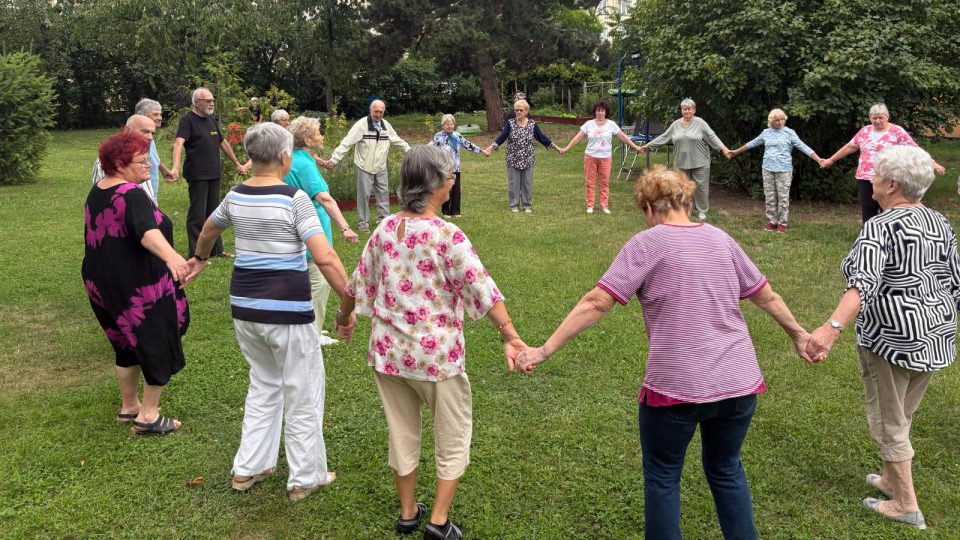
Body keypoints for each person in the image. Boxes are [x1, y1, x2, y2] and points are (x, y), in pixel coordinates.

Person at [516, 165, 812, 540]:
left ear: (648, 209)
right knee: (726, 469)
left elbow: (597, 301)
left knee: (663, 475)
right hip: (739, 383)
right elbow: (765, 296)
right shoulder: (722, 239)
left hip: (676, 387)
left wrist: (544, 350)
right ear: (686, 202)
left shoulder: (646, 243)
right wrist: (799, 335)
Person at [337, 145, 524, 540]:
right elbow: (483, 289)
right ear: (436, 183)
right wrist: (510, 336)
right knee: (452, 434)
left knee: (401, 432)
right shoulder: (446, 235)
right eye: (450, 175)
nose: (453, 180)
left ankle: (408, 514)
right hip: (437, 360)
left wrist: (343, 316)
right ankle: (437, 522)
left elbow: (355, 284)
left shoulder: (385, 228)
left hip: (389, 355)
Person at [183, 122, 356, 502]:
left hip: (246, 309)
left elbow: (209, 230)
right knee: (304, 387)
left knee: (263, 383)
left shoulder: (235, 195)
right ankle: (305, 476)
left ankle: (249, 467)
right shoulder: (294, 199)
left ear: (250, 156)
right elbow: (324, 256)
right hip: (288, 311)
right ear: (284, 156)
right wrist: (349, 302)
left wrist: (197, 258)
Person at [805, 146, 957, 531]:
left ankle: (906, 504)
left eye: (874, 174)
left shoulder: (880, 225)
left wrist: (829, 330)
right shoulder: (939, 221)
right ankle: (891, 479)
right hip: (936, 336)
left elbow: (863, 283)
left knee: (890, 421)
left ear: (892, 184)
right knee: (902, 414)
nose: (869, 180)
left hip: (891, 340)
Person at [82, 131, 191, 435]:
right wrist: (172, 258)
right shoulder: (132, 194)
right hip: (136, 285)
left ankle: (129, 406)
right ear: (119, 163)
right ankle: (148, 416)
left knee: (124, 343)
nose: (149, 166)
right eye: (142, 161)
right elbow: (147, 232)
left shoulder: (99, 190)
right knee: (156, 339)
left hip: (101, 281)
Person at [285, 116, 360, 345]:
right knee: (318, 284)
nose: (322, 136)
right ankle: (312, 335)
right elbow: (325, 199)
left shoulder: (295, 158)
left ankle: (307, 330)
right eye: (319, 132)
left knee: (306, 285)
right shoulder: (305, 164)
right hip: (311, 233)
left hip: (299, 232)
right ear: (308, 139)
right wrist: (345, 227)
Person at [821, 103, 946, 223]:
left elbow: (914, 148)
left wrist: (932, 163)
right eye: (874, 118)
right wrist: (831, 160)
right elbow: (850, 147)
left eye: (880, 117)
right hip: (865, 177)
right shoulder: (865, 131)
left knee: (889, 209)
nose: (877, 121)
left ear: (887, 117)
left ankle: (892, 233)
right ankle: (869, 233)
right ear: (870, 118)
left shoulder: (897, 131)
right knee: (868, 208)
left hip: (888, 178)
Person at [170, 87, 247, 258]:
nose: (212, 103)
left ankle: (217, 250)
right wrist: (175, 167)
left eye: (213, 100)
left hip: (214, 173)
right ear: (197, 102)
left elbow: (223, 142)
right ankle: (196, 253)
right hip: (197, 174)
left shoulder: (211, 120)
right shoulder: (187, 120)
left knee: (214, 214)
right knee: (197, 214)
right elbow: (178, 143)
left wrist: (237, 163)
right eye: (208, 100)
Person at [728, 108, 824, 232]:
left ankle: (782, 223)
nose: (780, 122)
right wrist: (736, 152)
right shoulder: (766, 133)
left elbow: (803, 146)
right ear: (771, 121)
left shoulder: (790, 133)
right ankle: (772, 221)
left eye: (782, 119)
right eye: (777, 120)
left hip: (784, 169)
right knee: (769, 195)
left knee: (783, 196)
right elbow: (752, 143)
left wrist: (818, 159)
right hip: (767, 168)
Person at [640, 98, 731, 221]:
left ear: (694, 110)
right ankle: (684, 209)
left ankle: (702, 211)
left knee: (701, 188)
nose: (687, 111)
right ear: (681, 110)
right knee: (681, 188)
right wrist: (647, 146)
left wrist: (723, 148)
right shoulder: (675, 124)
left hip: (700, 161)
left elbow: (712, 136)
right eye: (684, 109)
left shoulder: (700, 123)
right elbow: (664, 137)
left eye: (689, 109)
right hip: (681, 162)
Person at [326, 99, 410, 232]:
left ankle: (383, 221)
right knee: (363, 196)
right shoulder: (361, 125)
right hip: (364, 166)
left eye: (381, 112)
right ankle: (363, 224)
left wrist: (412, 152)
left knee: (383, 194)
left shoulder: (386, 126)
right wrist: (334, 159)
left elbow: (398, 141)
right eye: (376, 111)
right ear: (370, 110)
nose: (378, 115)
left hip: (381, 166)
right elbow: (347, 143)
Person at [559, 100, 643, 214]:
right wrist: (566, 148)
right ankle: (590, 205)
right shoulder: (588, 124)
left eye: (602, 111)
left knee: (604, 182)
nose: (600, 113)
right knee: (590, 182)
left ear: (605, 112)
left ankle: (604, 206)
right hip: (590, 157)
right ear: (595, 112)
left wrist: (635, 147)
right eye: (598, 110)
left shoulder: (611, 124)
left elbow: (622, 136)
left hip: (606, 158)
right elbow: (577, 138)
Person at [483, 99, 560, 213]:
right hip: (513, 158)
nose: (518, 112)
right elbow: (502, 137)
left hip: (528, 158)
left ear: (526, 111)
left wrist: (557, 148)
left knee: (527, 183)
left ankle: (526, 205)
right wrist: (490, 148)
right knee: (514, 183)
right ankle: (513, 205)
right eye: (516, 110)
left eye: (521, 110)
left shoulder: (532, 124)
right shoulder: (510, 123)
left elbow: (542, 138)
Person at [430, 114, 490, 217]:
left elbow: (468, 144)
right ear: (443, 125)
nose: (449, 126)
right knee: (446, 189)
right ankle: (446, 212)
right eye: (447, 124)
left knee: (456, 189)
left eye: (451, 124)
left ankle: (456, 212)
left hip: (456, 167)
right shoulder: (438, 136)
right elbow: (430, 148)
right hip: (445, 168)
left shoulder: (457, 135)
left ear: (454, 124)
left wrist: (482, 150)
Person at [92, 115, 159, 203]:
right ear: (127, 130)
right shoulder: (108, 160)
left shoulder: (144, 155)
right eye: (145, 131)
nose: (150, 137)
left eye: (152, 133)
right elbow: (100, 198)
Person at [134, 98, 176, 201]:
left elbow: (152, 156)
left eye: (160, 114)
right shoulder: (136, 140)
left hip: (152, 190)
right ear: (142, 116)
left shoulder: (149, 136)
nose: (160, 118)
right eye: (155, 114)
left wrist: (163, 170)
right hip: (141, 192)